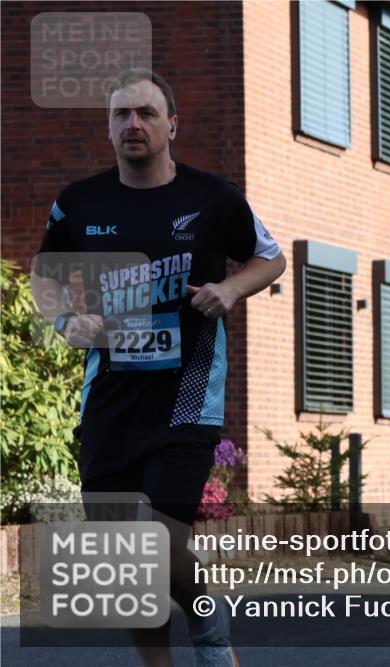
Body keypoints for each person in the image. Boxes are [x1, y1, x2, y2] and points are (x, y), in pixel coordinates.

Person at [30, 69, 285, 667]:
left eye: (145, 112)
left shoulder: (213, 198)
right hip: (110, 399)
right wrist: (67, 322)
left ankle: (209, 632)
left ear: (172, 125)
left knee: (160, 538)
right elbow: (45, 278)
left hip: (186, 397)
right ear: (108, 128)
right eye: (121, 114)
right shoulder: (79, 203)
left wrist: (230, 289)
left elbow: (269, 258)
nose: (133, 124)